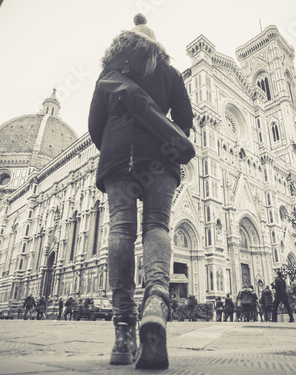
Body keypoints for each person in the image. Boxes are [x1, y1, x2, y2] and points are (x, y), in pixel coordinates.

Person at [88, 13, 193, 369]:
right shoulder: (169, 72)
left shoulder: (109, 75)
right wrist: (163, 139)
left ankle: (122, 330)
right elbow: (185, 120)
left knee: (120, 229)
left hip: (117, 158)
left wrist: (117, 145)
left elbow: (94, 126)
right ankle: (156, 303)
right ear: (155, 43)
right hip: (160, 160)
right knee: (157, 226)